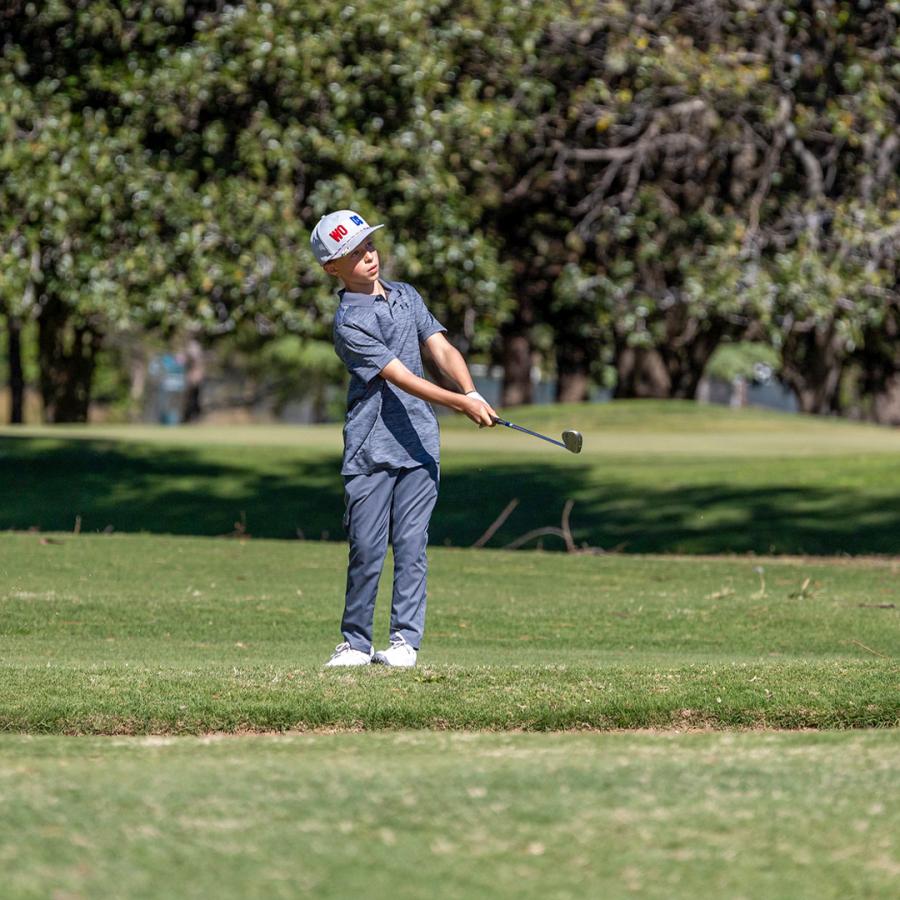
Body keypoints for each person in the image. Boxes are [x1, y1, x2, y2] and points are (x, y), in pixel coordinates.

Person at [311, 209, 497, 668]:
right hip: (369, 447)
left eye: (369, 246)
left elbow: (439, 347)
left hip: (418, 444)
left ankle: (403, 643)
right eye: (354, 254)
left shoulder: (407, 296)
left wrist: (470, 390)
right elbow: (399, 377)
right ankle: (355, 643)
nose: (368, 257)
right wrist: (459, 404)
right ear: (332, 268)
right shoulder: (347, 324)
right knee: (368, 549)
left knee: (412, 546)